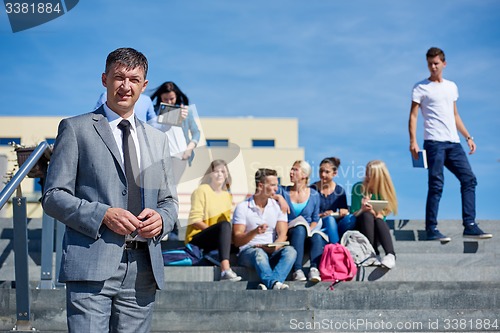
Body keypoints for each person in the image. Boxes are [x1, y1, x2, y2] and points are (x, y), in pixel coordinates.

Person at [42, 47, 178, 332]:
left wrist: (163, 219)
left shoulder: (158, 140)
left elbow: (168, 200)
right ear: (105, 79)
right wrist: (103, 214)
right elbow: (53, 196)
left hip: (143, 269)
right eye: (119, 77)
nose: (125, 86)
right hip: (91, 263)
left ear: (144, 85)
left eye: (133, 79)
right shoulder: (75, 129)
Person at [408, 47, 492, 241]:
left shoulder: (451, 87)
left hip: (453, 143)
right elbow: (413, 116)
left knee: (469, 179)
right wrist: (412, 140)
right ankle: (431, 228)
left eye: (436, 63)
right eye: (429, 63)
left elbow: (454, 115)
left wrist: (468, 137)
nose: (433, 67)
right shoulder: (420, 87)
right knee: (436, 184)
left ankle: (470, 224)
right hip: (433, 143)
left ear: (444, 64)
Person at [232, 168, 297, 290]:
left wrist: (274, 247)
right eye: (272, 185)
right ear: (261, 186)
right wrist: (254, 232)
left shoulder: (277, 206)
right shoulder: (243, 207)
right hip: (249, 252)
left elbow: (283, 234)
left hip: (271, 249)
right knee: (259, 253)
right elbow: (237, 240)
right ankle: (273, 283)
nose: (276, 189)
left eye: (276, 185)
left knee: (291, 251)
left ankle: (271, 283)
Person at [185, 159, 241, 281]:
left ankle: (214, 257)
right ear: (210, 174)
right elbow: (195, 220)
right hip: (198, 239)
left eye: (222, 171)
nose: (219, 174)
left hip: (217, 239)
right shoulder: (202, 190)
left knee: (240, 239)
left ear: (227, 175)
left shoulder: (227, 196)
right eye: (216, 171)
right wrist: (217, 234)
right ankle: (225, 270)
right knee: (225, 225)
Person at [276, 160, 324, 282]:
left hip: (306, 232)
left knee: (317, 236)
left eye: (295, 170)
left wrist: (311, 230)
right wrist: (279, 198)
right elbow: (266, 194)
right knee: (299, 228)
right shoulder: (283, 191)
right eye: (291, 169)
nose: (291, 172)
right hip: (289, 232)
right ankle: (297, 270)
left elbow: (315, 219)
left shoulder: (314, 194)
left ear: (304, 175)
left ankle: (314, 268)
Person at [149, 81, 200, 184]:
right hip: (158, 156)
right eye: (165, 99)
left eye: (171, 98)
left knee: (171, 187)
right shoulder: (153, 111)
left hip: (179, 155)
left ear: (177, 96)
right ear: (160, 97)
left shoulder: (185, 111)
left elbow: (196, 132)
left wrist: (189, 150)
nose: (169, 102)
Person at [350, 160, 398, 269]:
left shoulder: (385, 191)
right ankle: (372, 253)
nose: (367, 175)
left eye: (370, 173)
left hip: (377, 228)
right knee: (366, 215)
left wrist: (376, 213)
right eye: (367, 171)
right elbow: (353, 213)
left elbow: (383, 215)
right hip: (360, 226)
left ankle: (390, 254)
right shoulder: (358, 188)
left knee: (378, 220)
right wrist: (363, 209)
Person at [310, 157, 354, 244]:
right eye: (321, 171)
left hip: (335, 223)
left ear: (335, 173)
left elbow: (343, 210)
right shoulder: (312, 189)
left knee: (351, 219)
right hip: (318, 223)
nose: (323, 174)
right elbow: (308, 213)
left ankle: (343, 243)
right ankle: (336, 248)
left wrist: (342, 211)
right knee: (329, 219)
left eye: (327, 172)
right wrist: (323, 214)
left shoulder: (339, 191)